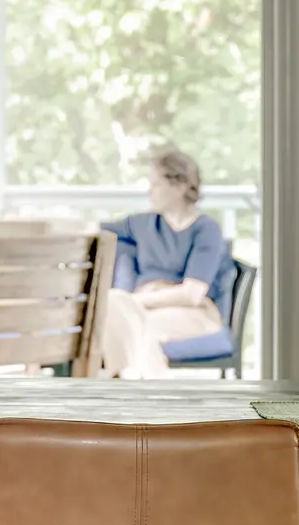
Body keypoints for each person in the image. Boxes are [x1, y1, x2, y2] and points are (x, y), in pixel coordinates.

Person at [97, 146, 238, 379]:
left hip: (193, 313)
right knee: (117, 310)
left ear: (179, 186)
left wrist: (134, 301)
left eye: (156, 185)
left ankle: (133, 389)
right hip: (144, 308)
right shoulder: (142, 224)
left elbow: (192, 294)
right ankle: (141, 390)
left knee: (132, 325)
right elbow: (94, 229)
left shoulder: (206, 229)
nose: (150, 191)